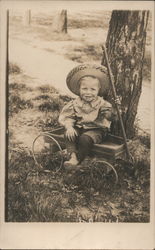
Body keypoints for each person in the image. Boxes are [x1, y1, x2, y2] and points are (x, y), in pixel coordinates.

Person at [58, 64, 114, 170]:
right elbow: (69, 117)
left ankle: (80, 160)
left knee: (85, 139)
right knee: (69, 134)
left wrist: (108, 114)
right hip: (81, 127)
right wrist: (69, 127)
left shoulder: (102, 104)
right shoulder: (75, 103)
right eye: (84, 89)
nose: (88, 93)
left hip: (96, 130)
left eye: (92, 89)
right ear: (79, 89)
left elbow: (110, 117)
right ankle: (72, 156)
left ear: (98, 90)